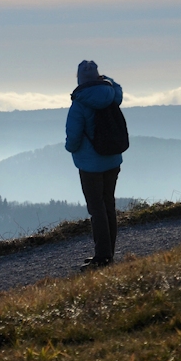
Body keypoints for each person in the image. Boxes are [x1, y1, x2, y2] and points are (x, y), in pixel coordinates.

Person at [65, 60, 123, 270]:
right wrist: (107, 80)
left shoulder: (80, 102)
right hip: (113, 159)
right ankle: (109, 254)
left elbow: (73, 136)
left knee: (96, 209)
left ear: (80, 79)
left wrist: (70, 149)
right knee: (108, 204)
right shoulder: (112, 95)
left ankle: (102, 256)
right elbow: (117, 88)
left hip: (90, 164)